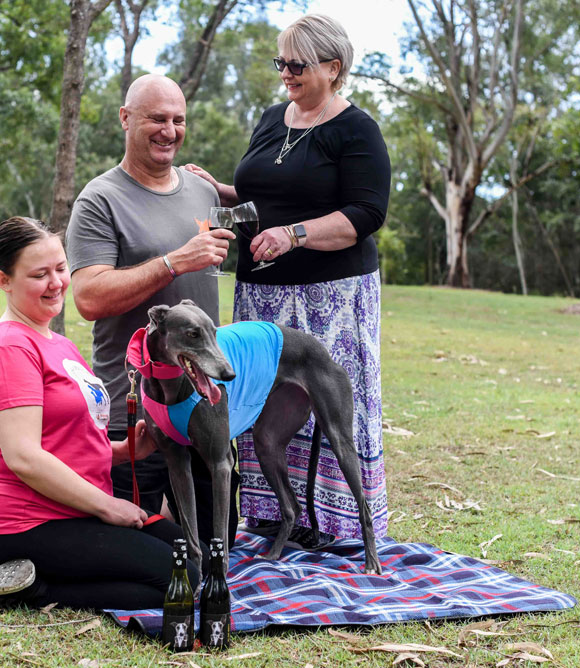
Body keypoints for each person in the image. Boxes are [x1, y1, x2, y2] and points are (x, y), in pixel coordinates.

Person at [184, 14, 390, 548]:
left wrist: (294, 234)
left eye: (297, 64)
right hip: (261, 293)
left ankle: (338, 524)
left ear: (333, 67)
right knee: (258, 402)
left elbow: (366, 213)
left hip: (332, 297)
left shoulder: (356, 130)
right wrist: (222, 191)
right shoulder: (273, 118)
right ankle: (274, 516)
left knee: (328, 411)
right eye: (281, 62)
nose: (285, 74)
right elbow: (267, 197)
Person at [0, 216, 199, 609]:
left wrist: (121, 451)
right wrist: (108, 506)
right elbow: (24, 456)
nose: (56, 283)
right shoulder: (10, 349)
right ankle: (30, 589)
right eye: (39, 274)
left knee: (188, 558)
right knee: (179, 583)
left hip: (77, 509)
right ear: (4, 281)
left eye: (61, 268)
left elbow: (64, 436)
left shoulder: (58, 343)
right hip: (30, 523)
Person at [66, 74, 240, 549]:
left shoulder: (201, 192)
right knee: (138, 550)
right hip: (135, 409)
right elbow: (88, 299)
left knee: (217, 544)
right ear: (126, 119)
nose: (169, 130)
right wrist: (173, 262)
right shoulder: (100, 200)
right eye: (156, 119)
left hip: (202, 400)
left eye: (178, 120)